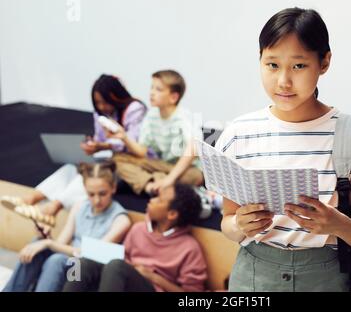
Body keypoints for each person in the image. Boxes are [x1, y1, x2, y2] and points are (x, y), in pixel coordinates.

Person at [217, 7, 351, 292]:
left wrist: (336, 224)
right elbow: (227, 222)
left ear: (324, 62)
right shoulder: (237, 134)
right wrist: (241, 225)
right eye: (272, 65)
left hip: (327, 277)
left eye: (298, 66)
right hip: (252, 276)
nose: (283, 81)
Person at [21, 75, 148, 216]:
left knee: (92, 174)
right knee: (72, 167)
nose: (101, 106)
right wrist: (91, 145)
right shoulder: (100, 113)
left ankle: (55, 206)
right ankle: (33, 197)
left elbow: (133, 142)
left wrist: (104, 146)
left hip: (130, 162)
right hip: (106, 156)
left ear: (116, 97)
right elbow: (99, 138)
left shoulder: (135, 109)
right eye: (98, 103)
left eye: (105, 102)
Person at [3, 161, 131, 292]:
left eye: (102, 193)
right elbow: (61, 243)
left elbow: (88, 254)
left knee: (57, 260)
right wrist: (46, 238)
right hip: (68, 262)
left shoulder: (121, 220)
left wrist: (49, 243)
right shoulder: (80, 206)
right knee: (37, 245)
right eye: (91, 194)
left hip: (86, 272)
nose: (97, 200)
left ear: (113, 188)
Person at [63, 184, 207, 292]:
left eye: (159, 199)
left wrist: (153, 277)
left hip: (151, 287)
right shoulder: (139, 229)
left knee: (116, 266)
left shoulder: (190, 248)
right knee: (81, 263)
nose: (151, 200)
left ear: (172, 214)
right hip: (122, 281)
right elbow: (123, 259)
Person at [109, 70, 204, 196]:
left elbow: (193, 149)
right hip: (163, 166)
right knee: (117, 159)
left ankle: (157, 182)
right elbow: (141, 151)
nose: (152, 93)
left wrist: (170, 179)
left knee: (194, 177)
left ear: (173, 97)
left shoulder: (183, 117)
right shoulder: (151, 115)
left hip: (187, 169)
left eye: (158, 89)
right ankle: (150, 185)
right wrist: (124, 137)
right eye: (152, 88)